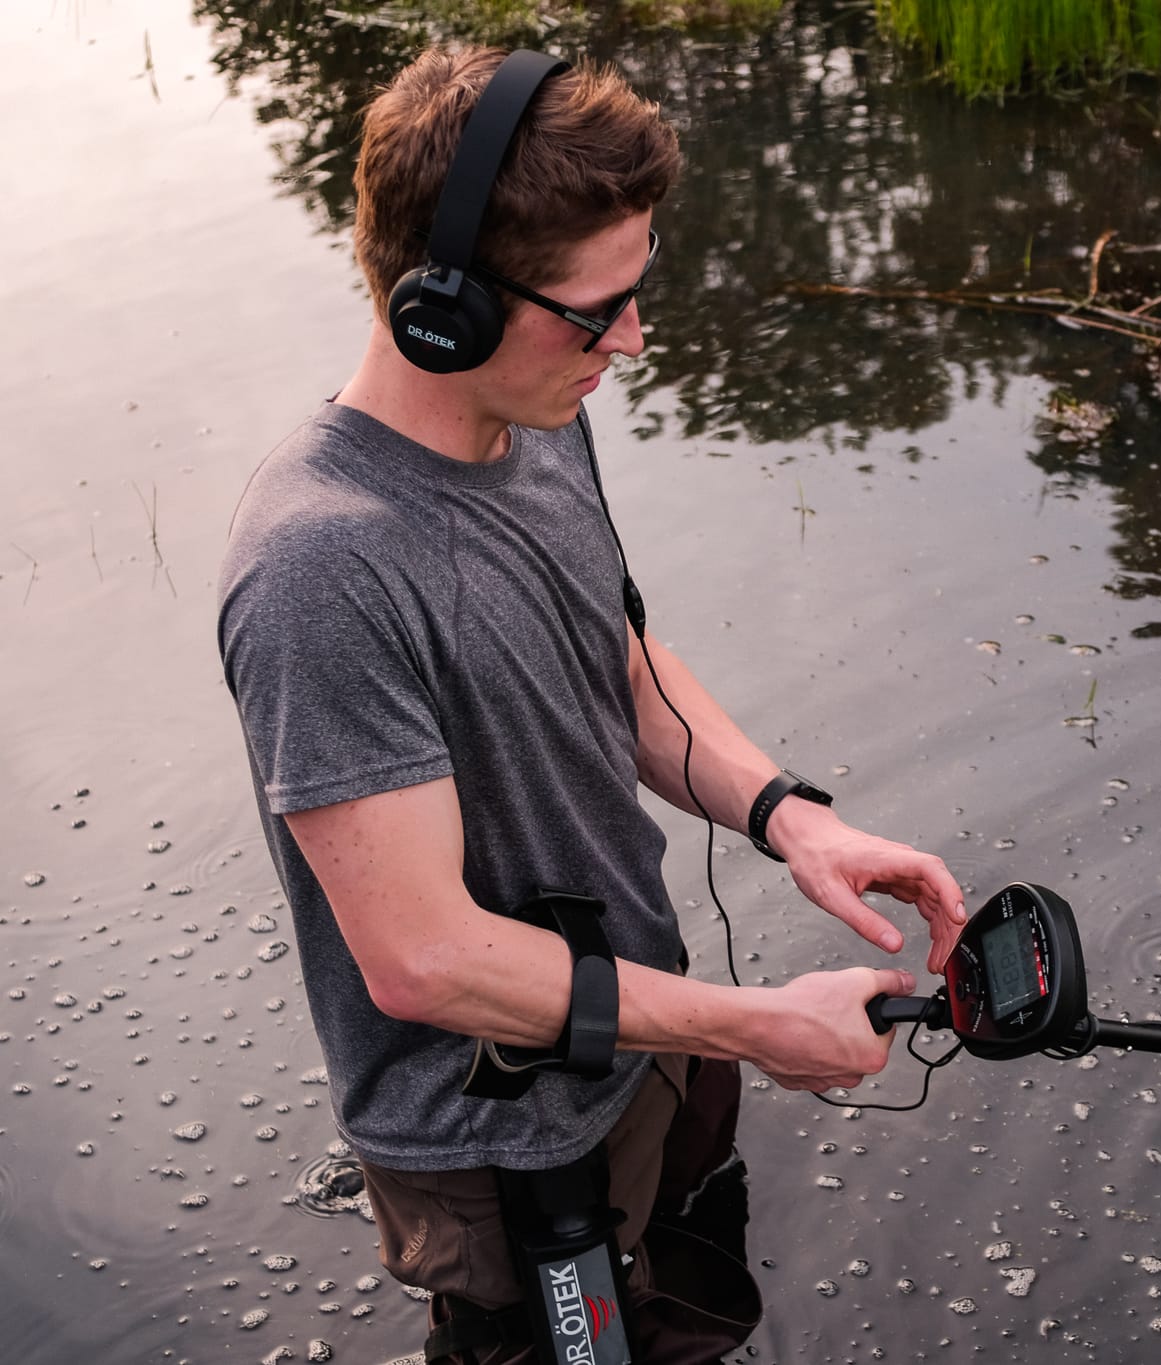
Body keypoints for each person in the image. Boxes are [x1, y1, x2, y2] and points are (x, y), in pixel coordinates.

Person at [216, 45, 967, 1364]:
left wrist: (792, 819)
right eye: (594, 311)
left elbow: (615, 662)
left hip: (650, 1035)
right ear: (438, 307)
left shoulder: (542, 411)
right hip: (511, 1156)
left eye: (638, 291)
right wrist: (755, 1020)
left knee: (701, 1297)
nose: (632, 339)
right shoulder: (318, 567)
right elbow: (425, 959)